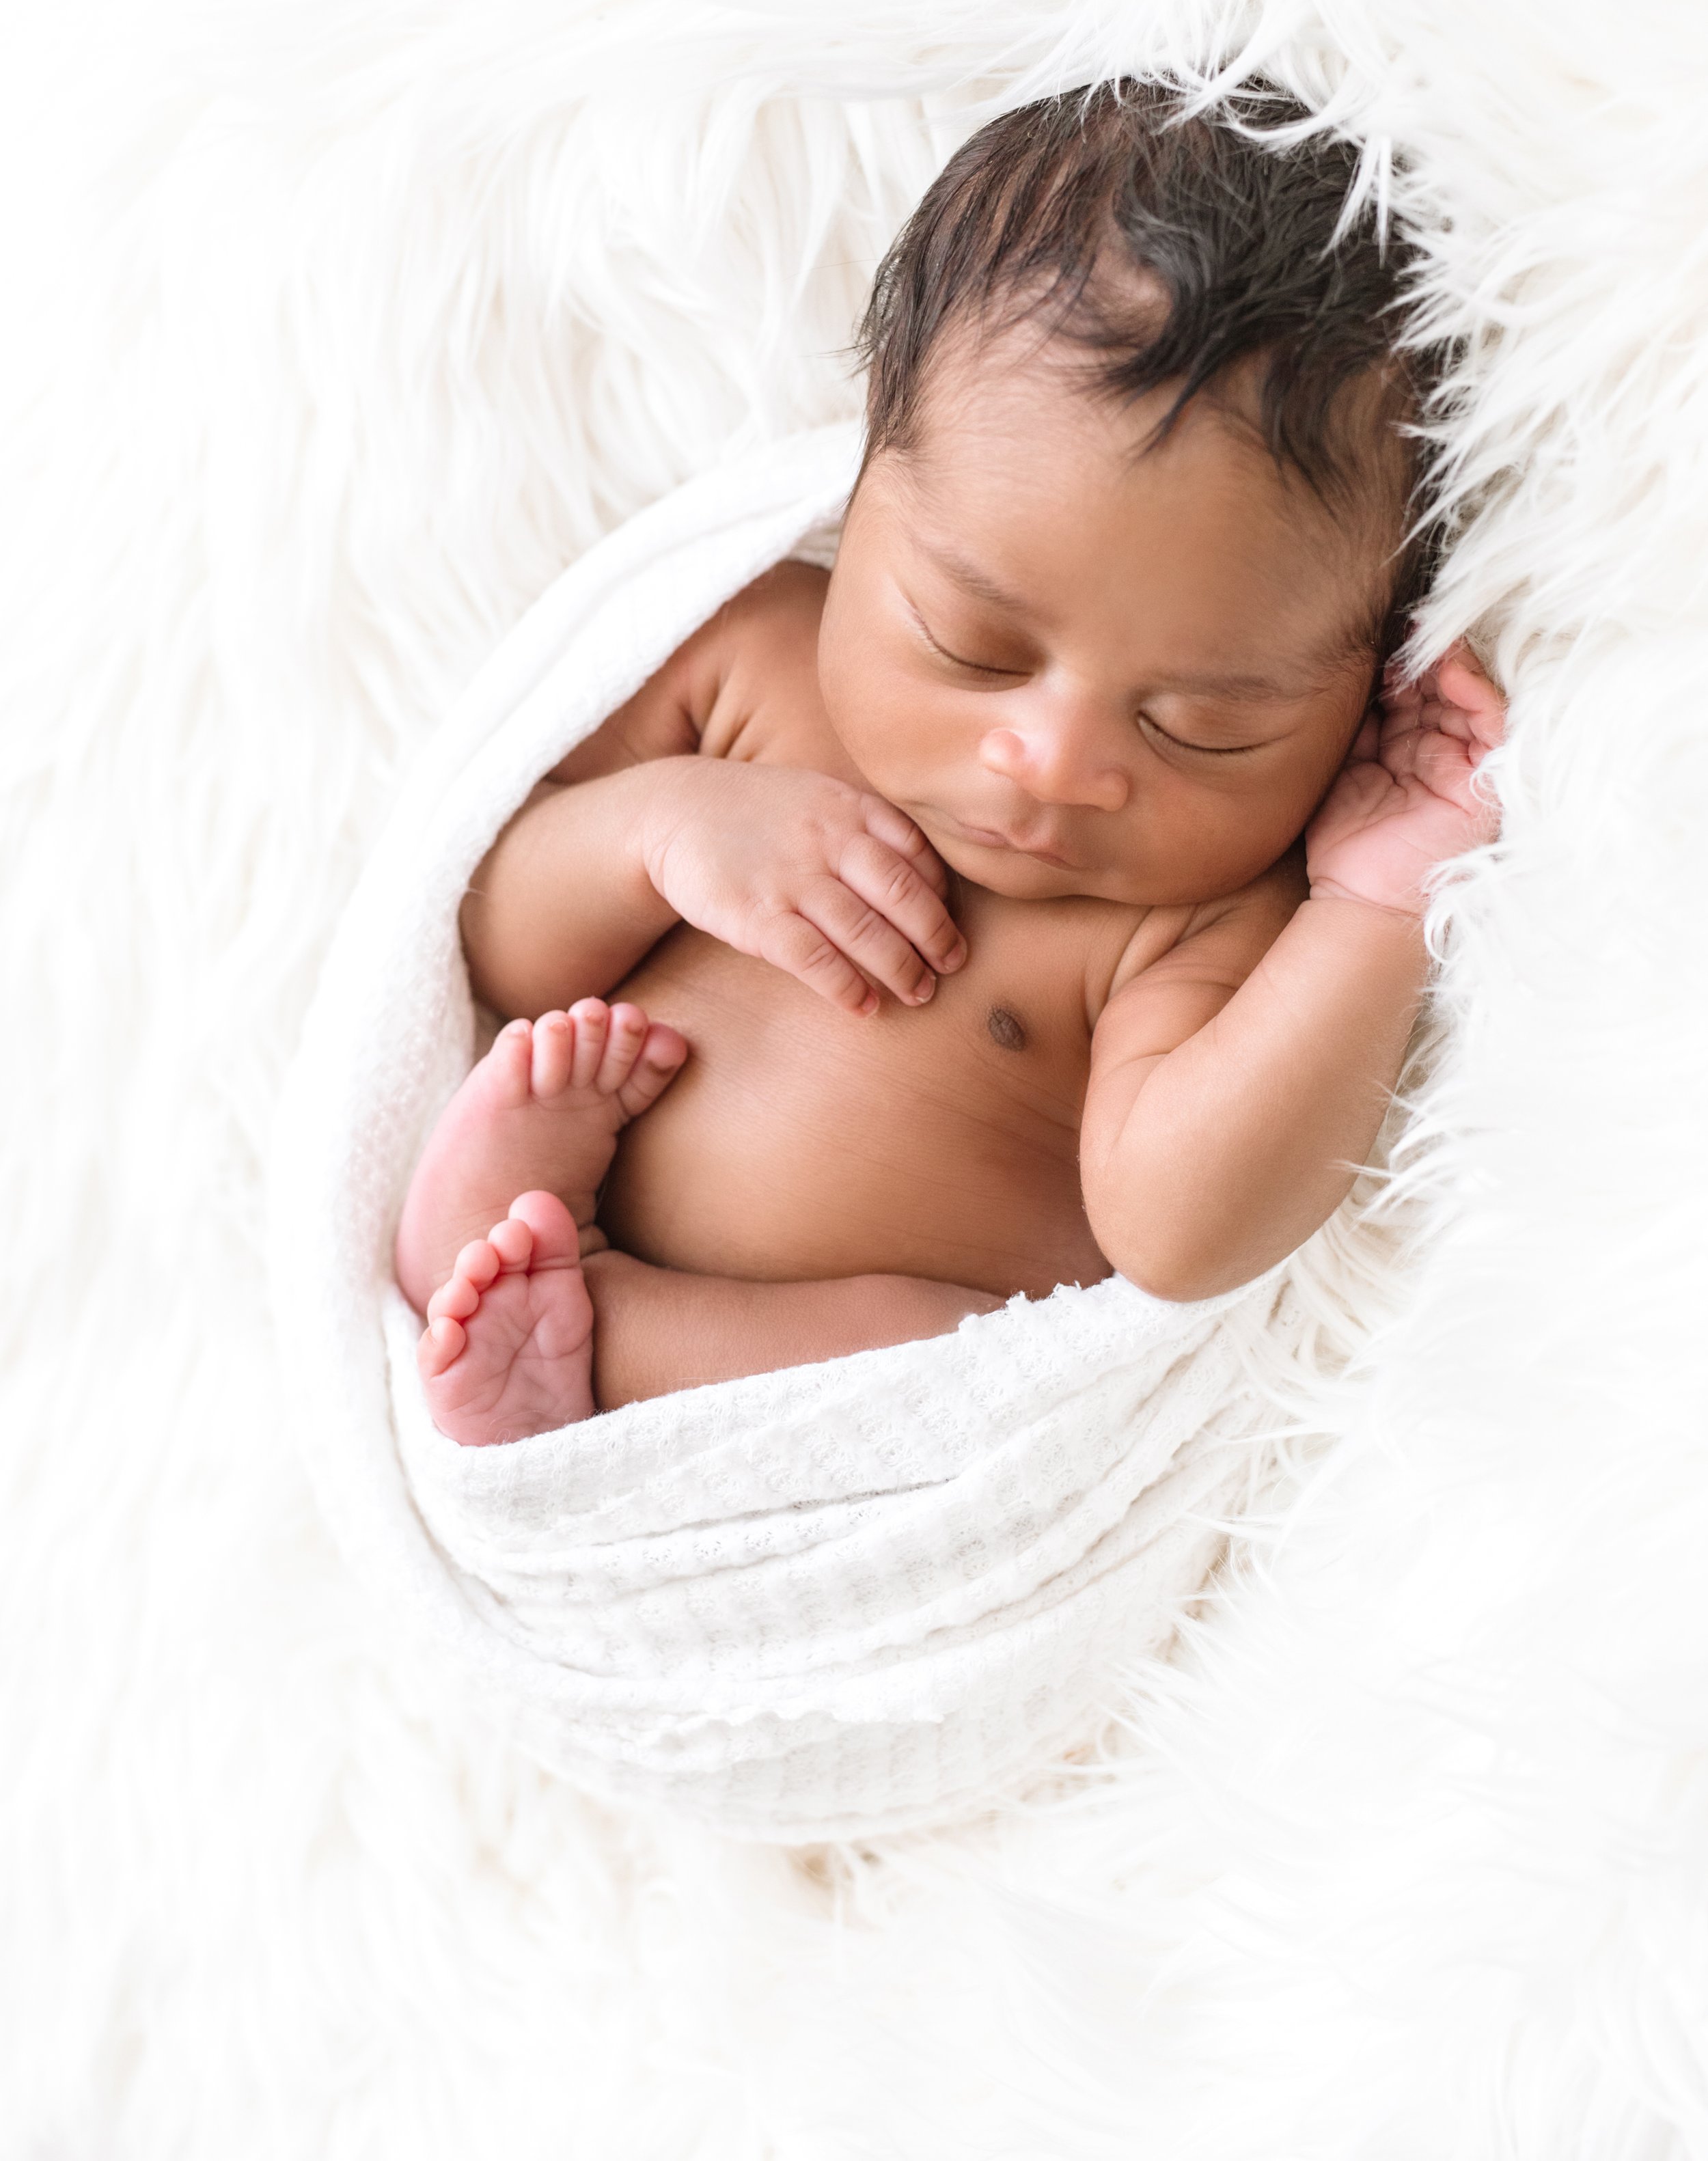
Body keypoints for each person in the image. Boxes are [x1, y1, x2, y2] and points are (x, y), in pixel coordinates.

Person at [393, 83, 1503, 1445]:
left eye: (1197, 723)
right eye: (974, 646)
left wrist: (1375, 910)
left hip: (852, 1404)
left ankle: (588, 1331)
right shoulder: (752, 663)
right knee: (533, 1081)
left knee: (936, 1351)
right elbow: (495, 946)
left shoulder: (1193, 916)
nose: (1051, 760)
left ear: (1357, 683)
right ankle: (522, 1259)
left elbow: (1173, 1229)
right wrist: (658, 832)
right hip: (568, 1184)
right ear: (865, 484)